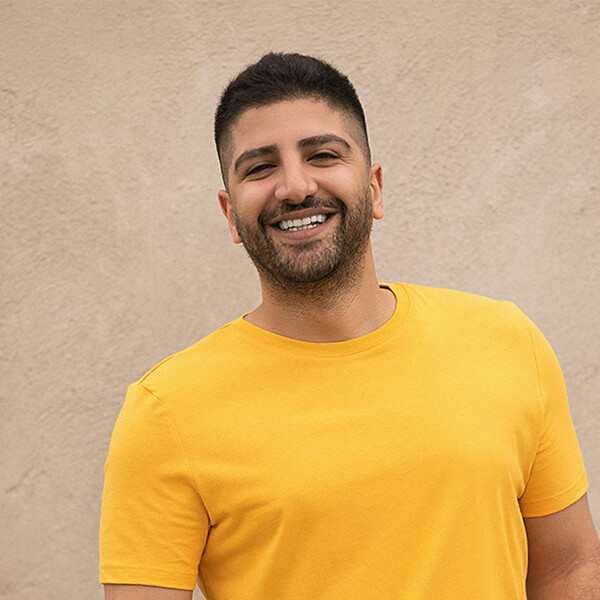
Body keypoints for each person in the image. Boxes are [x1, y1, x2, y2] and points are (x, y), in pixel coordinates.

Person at [99, 53, 600, 600]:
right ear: (230, 214)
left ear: (374, 187)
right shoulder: (166, 412)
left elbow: (569, 570)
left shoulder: (506, 342)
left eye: (322, 155)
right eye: (260, 167)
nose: (294, 186)